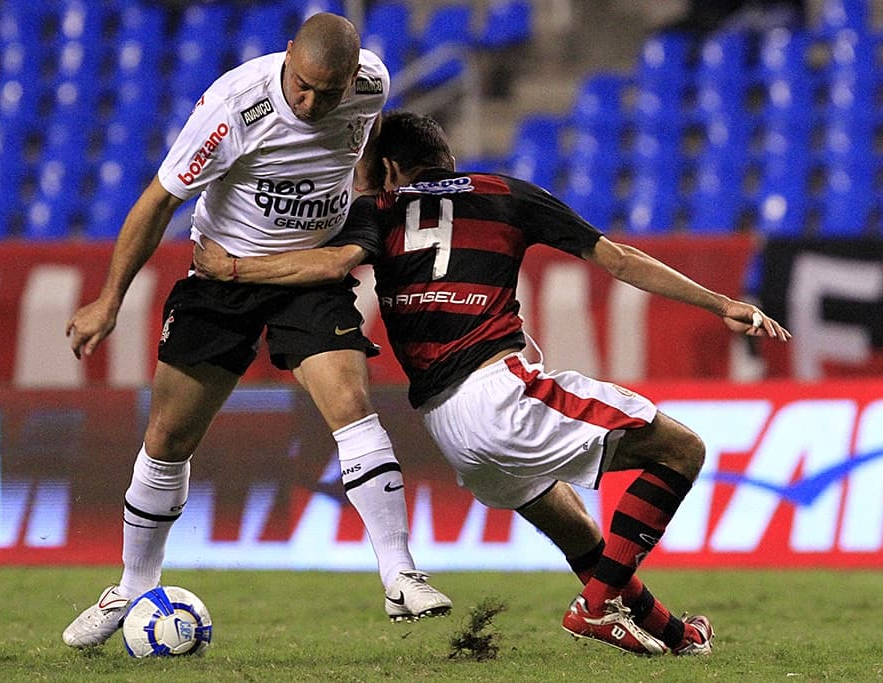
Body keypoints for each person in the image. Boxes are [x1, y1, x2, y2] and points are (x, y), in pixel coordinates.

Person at [190, 111, 792, 656]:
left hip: (448, 426)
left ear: (392, 167)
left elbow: (325, 264)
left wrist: (230, 265)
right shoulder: (505, 193)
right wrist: (720, 304)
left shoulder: (376, 208)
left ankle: (674, 635)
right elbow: (618, 260)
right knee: (681, 449)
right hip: (499, 389)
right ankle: (595, 607)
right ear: (446, 162)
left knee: (577, 529)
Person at [61, 15, 451, 649]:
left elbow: (368, 131)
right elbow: (157, 201)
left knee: (351, 404)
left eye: (328, 93)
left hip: (308, 277)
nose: (310, 102)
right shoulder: (233, 106)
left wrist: (367, 185)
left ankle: (400, 573)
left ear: (352, 77)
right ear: (287, 54)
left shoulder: (373, 84)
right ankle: (132, 586)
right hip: (221, 275)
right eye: (302, 86)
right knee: (168, 435)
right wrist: (108, 301)